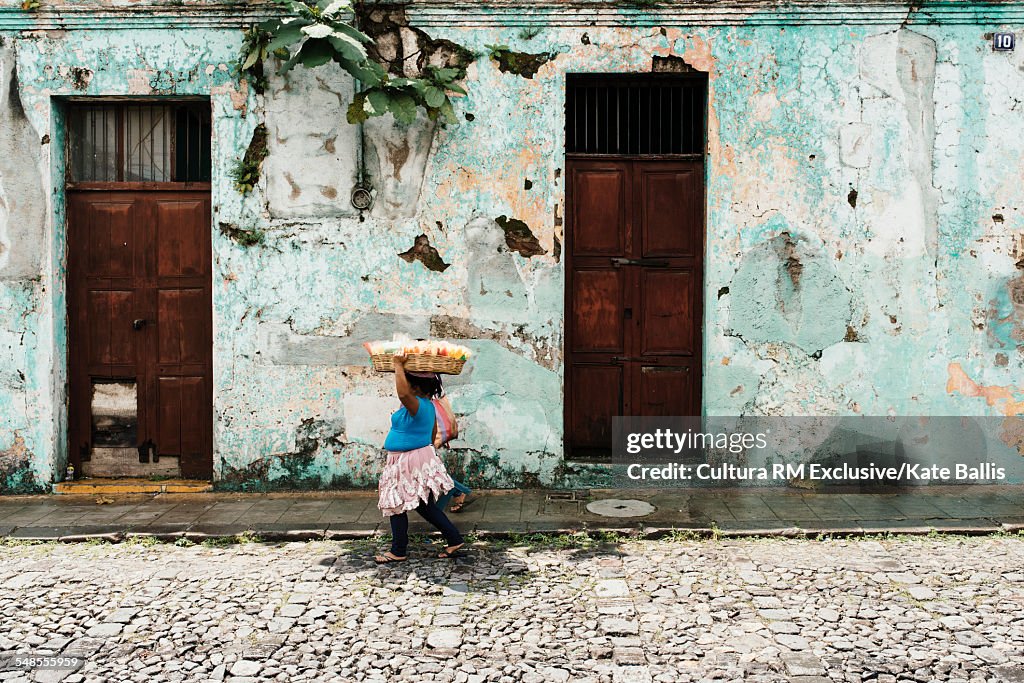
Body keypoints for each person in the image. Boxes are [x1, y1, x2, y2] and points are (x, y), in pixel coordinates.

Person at [375, 353, 465, 564]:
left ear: (415, 387)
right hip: (410, 458)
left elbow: (403, 394)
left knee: (396, 503)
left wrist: (397, 365)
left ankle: (398, 550)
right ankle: (454, 539)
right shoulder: (425, 407)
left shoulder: (416, 405)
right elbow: (432, 433)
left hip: (408, 459)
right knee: (424, 505)